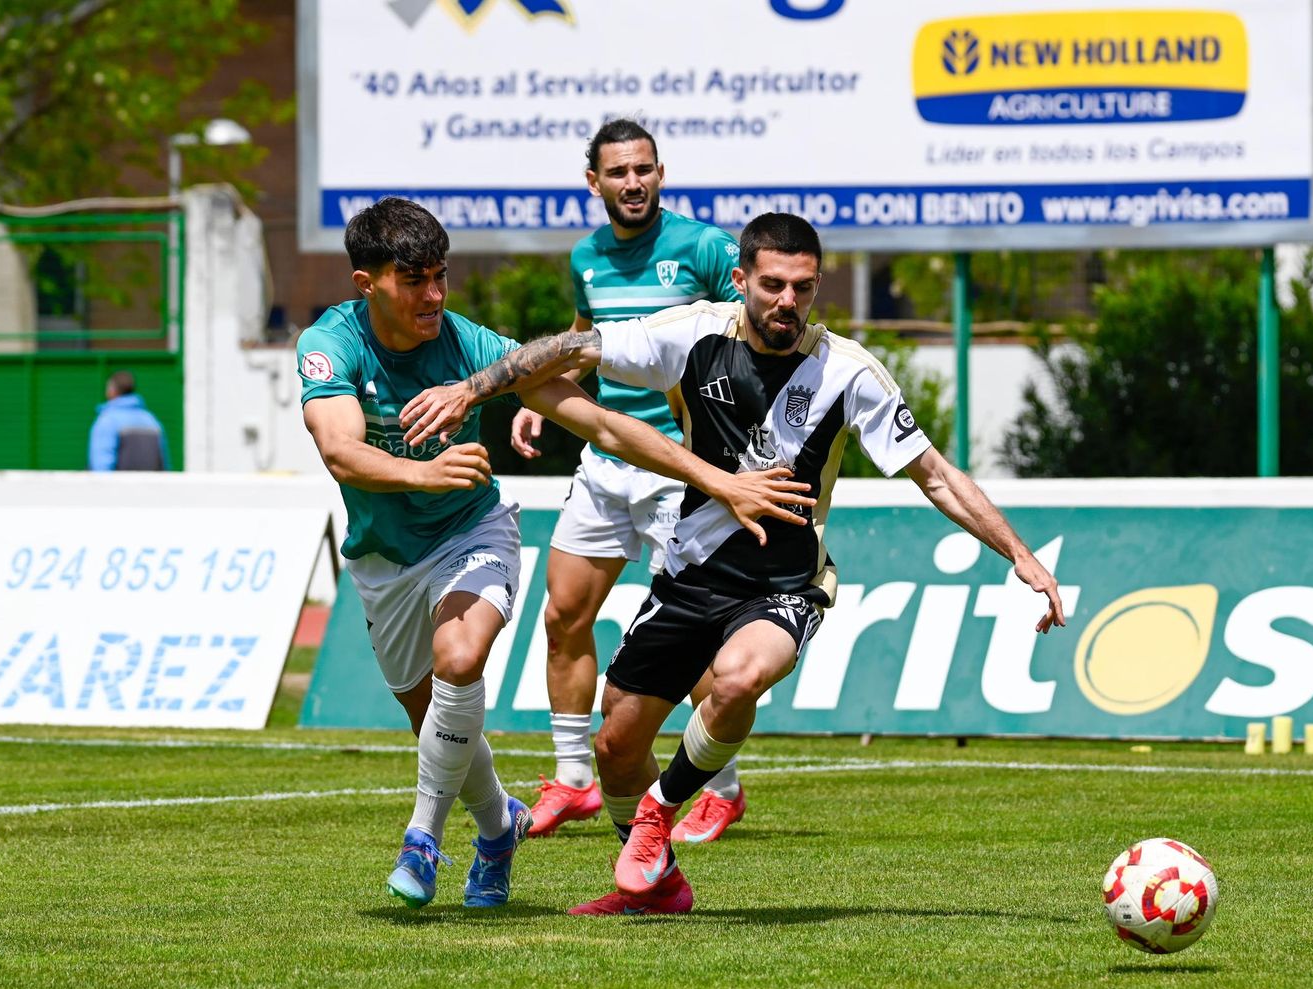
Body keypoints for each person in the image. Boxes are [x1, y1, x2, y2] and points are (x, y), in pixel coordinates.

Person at [399, 213, 1067, 916]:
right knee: (617, 743)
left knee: (740, 676)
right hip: (690, 575)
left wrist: (1019, 554)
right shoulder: (691, 334)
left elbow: (933, 473)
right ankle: (660, 887)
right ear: (742, 280)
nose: (788, 302)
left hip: (785, 584)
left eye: (803, 288)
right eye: (773, 285)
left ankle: (658, 814)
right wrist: (473, 389)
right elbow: (574, 346)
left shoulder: (849, 372)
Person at [298, 197, 814, 911]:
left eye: (441, 276)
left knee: (459, 660)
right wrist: (422, 471)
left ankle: (423, 836)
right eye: (414, 280)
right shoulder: (332, 343)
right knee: (439, 726)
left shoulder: (473, 345)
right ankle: (497, 827)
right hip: (382, 557)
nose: (434, 295)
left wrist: (716, 478)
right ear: (367, 284)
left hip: (470, 534)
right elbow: (339, 449)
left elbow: (602, 424)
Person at [511, 118, 752, 843]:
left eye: (644, 169)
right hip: (606, 464)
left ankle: (721, 788)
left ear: (661, 173)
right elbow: (589, 336)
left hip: (681, 471)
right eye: (618, 172)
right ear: (595, 182)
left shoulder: (703, 247)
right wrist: (546, 403)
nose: (633, 182)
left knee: (700, 639)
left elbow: (753, 337)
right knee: (562, 615)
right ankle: (574, 780)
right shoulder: (585, 256)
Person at [88, 371, 169, 471]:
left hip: (118, 486)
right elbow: (164, 465)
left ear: (112, 390)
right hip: (149, 486)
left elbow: (101, 467)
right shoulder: (151, 420)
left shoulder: (108, 420)